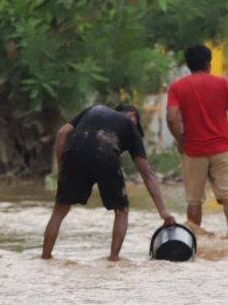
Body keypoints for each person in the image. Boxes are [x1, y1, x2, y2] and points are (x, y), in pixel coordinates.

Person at [42, 103, 175, 261]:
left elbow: (62, 133)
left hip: (73, 153)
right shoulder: (130, 125)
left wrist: (61, 168)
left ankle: (45, 257)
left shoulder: (93, 109)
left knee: (59, 210)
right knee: (121, 210)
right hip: (106, 153)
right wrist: (163, 211)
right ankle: (113, 260)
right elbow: (147, 174)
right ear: (132, 115)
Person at [166, 44, 228, 238]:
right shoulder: (222, 84)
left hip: (194, 150)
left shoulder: (177, 87)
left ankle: (193, 237)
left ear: (188, 65)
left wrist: (180, 140)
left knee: (194, 200)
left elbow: (171, 117)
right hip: (222, 148)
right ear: (208, 63)